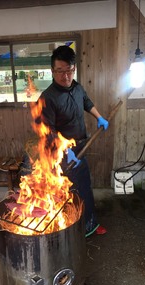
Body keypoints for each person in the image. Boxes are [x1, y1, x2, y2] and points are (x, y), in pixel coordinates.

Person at [37, 45, 109, 237]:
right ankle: (76, 229)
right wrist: (66, 151)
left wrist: (99, 117)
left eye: (69, 70)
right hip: (60, 153)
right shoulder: (47, 98)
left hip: (80, 147)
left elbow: (86, 102)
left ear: (74, 69)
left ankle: (86, 225)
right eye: (60, 71)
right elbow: (48, 132)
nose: (65, 76)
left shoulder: (77, 87)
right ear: (52, 71)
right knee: (71, 190)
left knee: (82, 186)